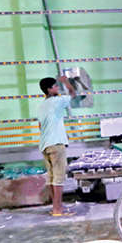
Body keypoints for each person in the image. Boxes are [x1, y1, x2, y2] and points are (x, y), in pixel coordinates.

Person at [38, 75, 76, 216]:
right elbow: (73, 94)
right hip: (56, 144)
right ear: (49, 89)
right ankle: (57, 209)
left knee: (51, 177)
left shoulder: (42, 105)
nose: (58, 88)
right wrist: (66, 81)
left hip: (45, 144)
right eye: (55, 86)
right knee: (59, 178)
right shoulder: (57, 101)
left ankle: (56, 207)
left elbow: (40, 126)